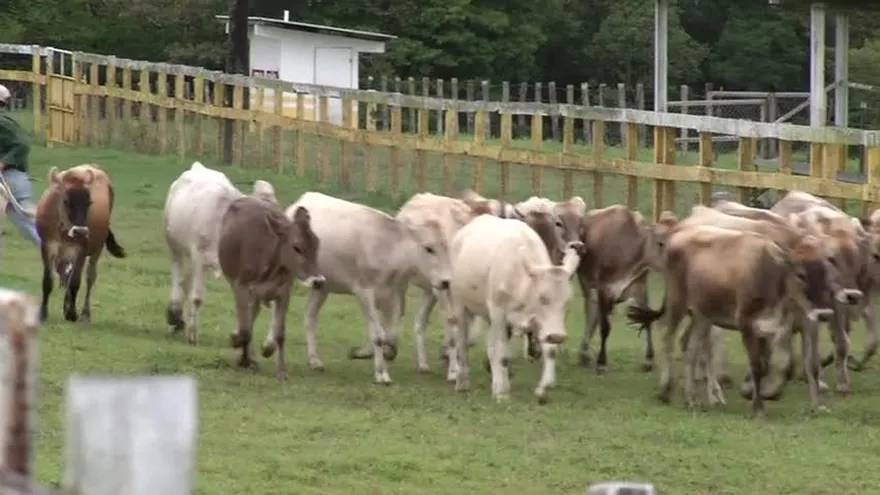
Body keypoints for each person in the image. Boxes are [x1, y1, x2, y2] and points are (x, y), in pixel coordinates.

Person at [0, 84, 40, 246]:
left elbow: (22, 145)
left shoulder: (2, 122)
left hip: (10, 177)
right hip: (13, 176)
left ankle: (57, 253)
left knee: (28, 222)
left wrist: (3, 163)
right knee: (27, 224)